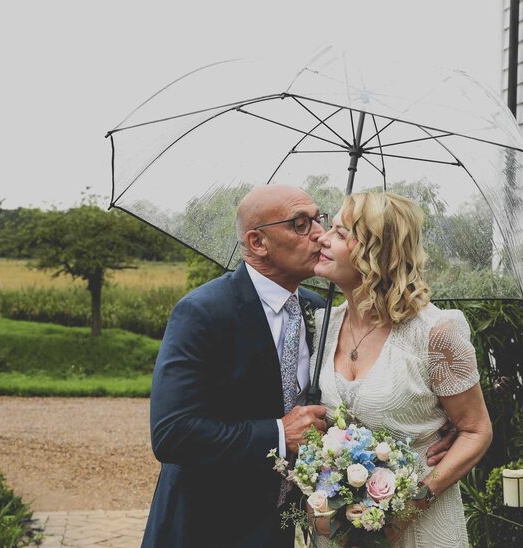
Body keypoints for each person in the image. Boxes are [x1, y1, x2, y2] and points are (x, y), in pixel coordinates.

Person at [142, 186, 456, 547]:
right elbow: (172, 434)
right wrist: (278, 433)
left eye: (318, 220)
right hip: (205, 526)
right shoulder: (203, 313)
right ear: (258, 242)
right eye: (300, 224)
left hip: (281, 528)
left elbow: (356, 392)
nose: (319, 234)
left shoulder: (319, 314)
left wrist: (434, 423)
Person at [311, 192, 493, 547]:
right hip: (341, 531)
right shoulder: (322, 327)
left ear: (375, 252)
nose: (322, 237)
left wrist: (408, 508)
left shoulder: (435, 332)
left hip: (420, 525)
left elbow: (476, 430)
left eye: (339, 232)